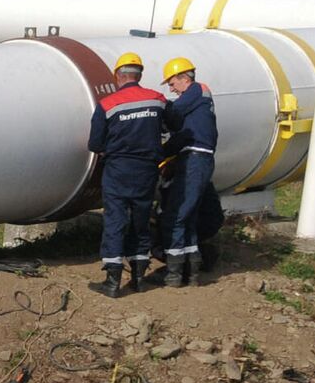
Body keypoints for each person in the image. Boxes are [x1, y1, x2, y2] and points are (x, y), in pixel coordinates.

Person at [87, 52, 171, 298]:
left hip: (118, 170)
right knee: (140, 221)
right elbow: (172, 125)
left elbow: (94, 143)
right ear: (140, 75)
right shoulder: (157, 100)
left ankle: (112, 283)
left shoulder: (108, 104)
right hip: (146, 171)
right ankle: (138, 279)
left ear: (118, 76)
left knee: (115, 221)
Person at [159, 57, 218, 287]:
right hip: (195, 159)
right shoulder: (196, 105)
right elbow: (180, 136)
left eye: (172, 83)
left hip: (196, 160)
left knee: (176, 215)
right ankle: (191, 273)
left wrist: (156, 111)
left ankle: (173, 275)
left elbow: (173, 112)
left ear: (185, 78)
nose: (172, 89)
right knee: (188, 217)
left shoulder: (197, 90)